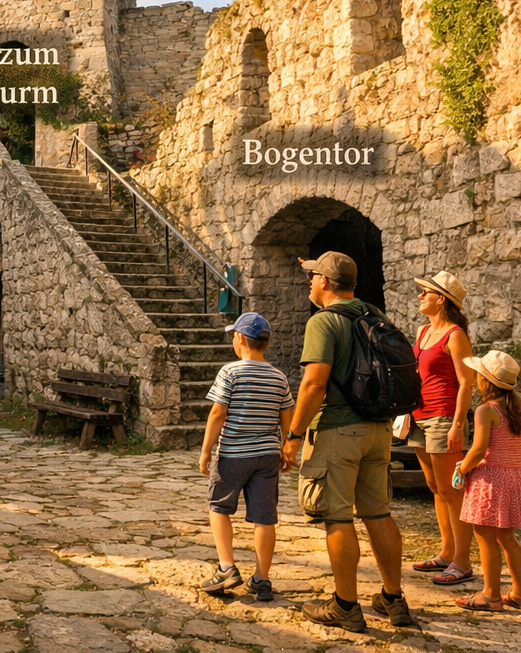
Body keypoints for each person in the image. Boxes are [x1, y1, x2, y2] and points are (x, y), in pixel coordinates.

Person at [280, 252, 417, 632]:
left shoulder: (324, 322)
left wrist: (293, 435)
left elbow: (314, 383)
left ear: (325, 281)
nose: (309, 282)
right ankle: (394, 599)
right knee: (378, 512)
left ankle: (344, 606)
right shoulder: (374, 314)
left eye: (312, 276)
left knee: (336, 516)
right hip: (378, 430)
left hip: (339, 430)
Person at [196, 311, 295, 602]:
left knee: (219, 508)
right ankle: (262, 579)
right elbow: (286, 416)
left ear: (240, 339)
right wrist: (286, 451)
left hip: (233, 454)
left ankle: (227, 567)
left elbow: (218, 412)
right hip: (267, 456)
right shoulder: (279, 377)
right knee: (265, 518)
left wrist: (206, 450)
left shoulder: (231, 372)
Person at [453, 350, 521, 612]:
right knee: (507, 539)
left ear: (485, 382)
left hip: (491, 481)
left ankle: (490, 596)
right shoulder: (518, 410)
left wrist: (462, 469)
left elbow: (478, 450)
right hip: (514, 476)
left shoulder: (485, 411)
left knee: (485, 538)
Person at [408, 271, 477, 585]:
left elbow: (467, 383)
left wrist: (458, 425)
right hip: (419, 417)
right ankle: (447, 552)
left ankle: (462, 562)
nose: (421, 296)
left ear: (443, 300)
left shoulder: (455, 335)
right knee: (436, 488)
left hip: (444, 417)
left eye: (426, 292)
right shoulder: (423, 332)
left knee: (453, 490)